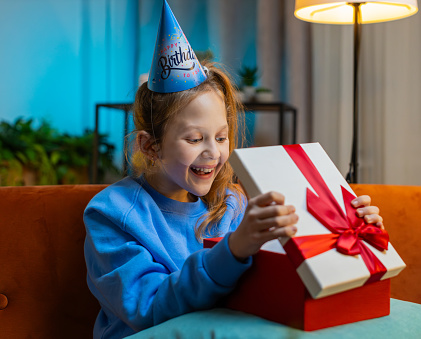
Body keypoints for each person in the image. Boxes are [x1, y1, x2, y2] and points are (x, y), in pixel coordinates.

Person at [84, 3, 383, 338]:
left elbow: (275, 285)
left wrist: (348, 233)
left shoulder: (232, 204)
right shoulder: (112, 214)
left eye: (222, 137)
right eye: (195, 138)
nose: (213, 152)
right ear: (150, 145)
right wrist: (234, 249)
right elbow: (148, 308)